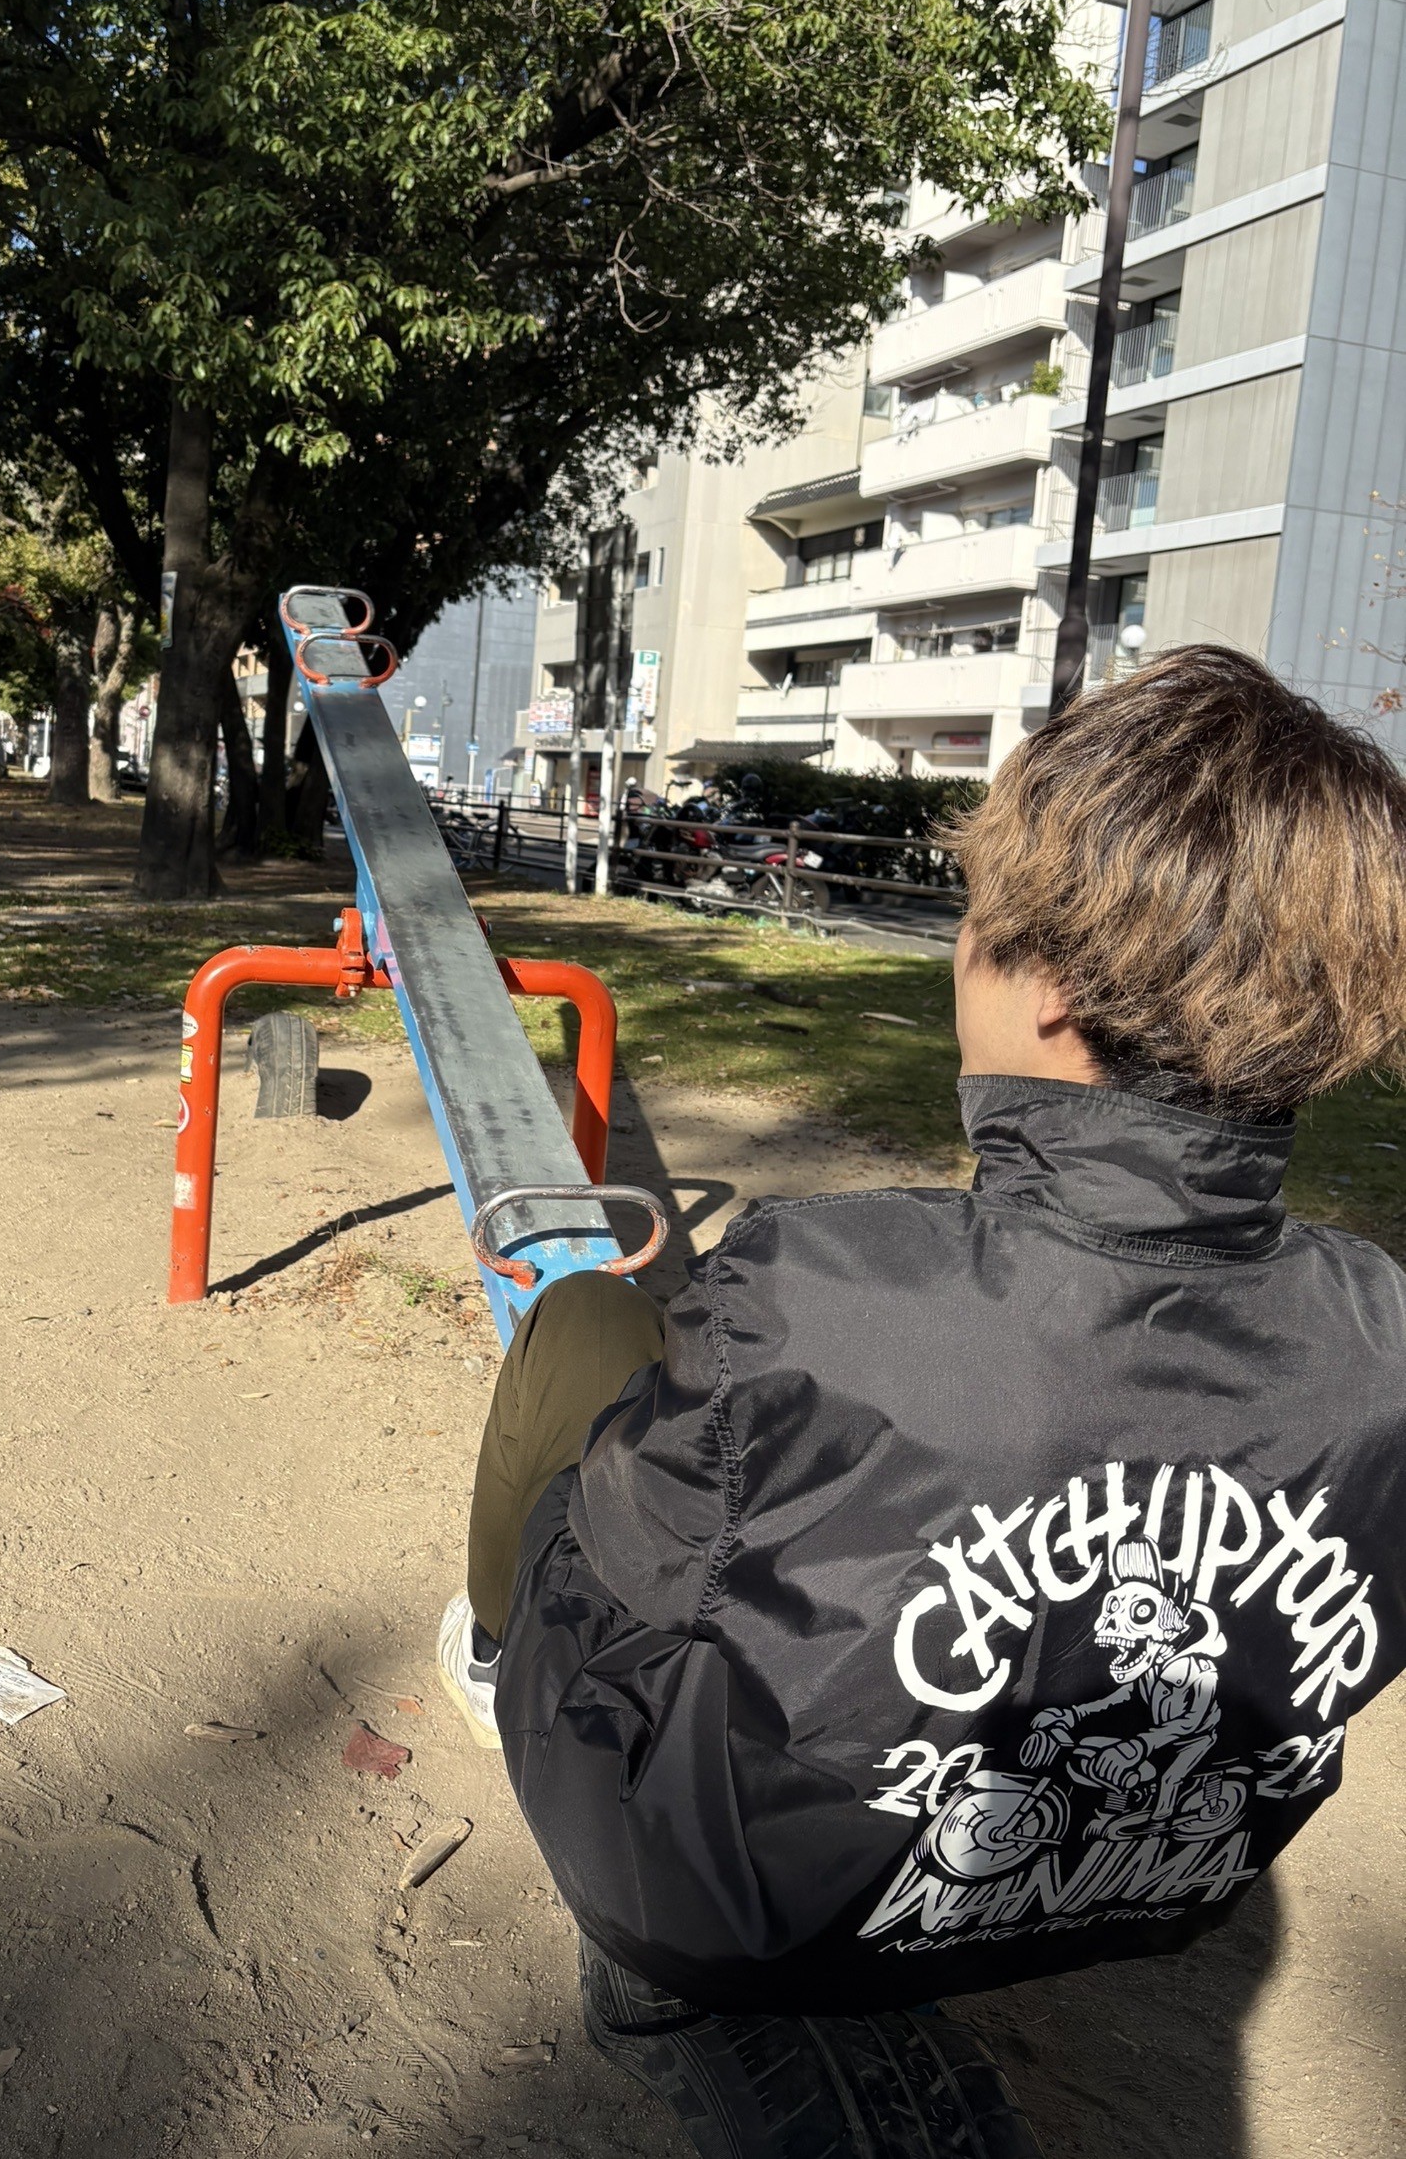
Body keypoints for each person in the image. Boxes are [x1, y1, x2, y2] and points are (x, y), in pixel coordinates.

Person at [436, 646, 1406, 2125]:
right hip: (1149, 1885)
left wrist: (672, 1383)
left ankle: (493, 1671)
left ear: (1048, 990)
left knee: (579, 1326)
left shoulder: (823, 1290)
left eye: (972, 923)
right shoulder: (1384, 1330)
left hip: (716, 1910)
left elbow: (628, 1569)